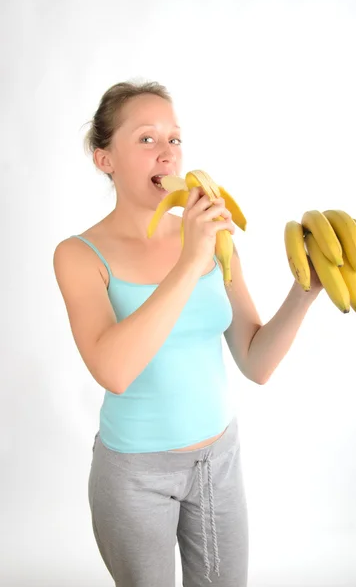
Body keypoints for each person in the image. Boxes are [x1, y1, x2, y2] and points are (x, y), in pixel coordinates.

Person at [53, 80, 323, 587]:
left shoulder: (212, 237)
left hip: (219, 460)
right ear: (104, 159)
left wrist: (305, 290)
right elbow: (113, 370)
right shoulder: (78, 254)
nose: (168, 153)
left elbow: (255, 362)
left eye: (174, 139)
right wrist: (189, 261)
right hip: (134, 474)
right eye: (147, 139)